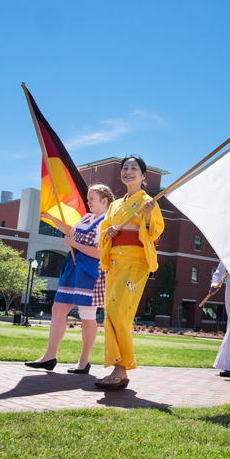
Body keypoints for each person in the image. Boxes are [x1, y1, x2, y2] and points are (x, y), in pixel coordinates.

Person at [25, 185, 114, 373]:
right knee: (57, 308)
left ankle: (83, 362)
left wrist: (72, 243)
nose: (88, 202)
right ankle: (49, 356)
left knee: (87, 316)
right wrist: (50, 218)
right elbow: (71, 231)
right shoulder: (88, 218)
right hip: (73, 267)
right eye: (88, 198)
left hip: (90, 272)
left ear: (104, 201)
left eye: (92, 199)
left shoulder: (106, 223)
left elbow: (99, 253)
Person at [95, 155, 164, 390]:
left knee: (118, 312)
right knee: (111, 312)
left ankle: (120, 368)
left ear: (144, 176)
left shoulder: (148, 201)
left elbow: (154, 233)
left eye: (134, 168)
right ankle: (120, 368)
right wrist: (109, 232)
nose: (128, 171)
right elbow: (104, 232)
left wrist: (146, 215)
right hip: (115, 261)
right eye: (125, 168)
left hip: (135, 261)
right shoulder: (115, 204)